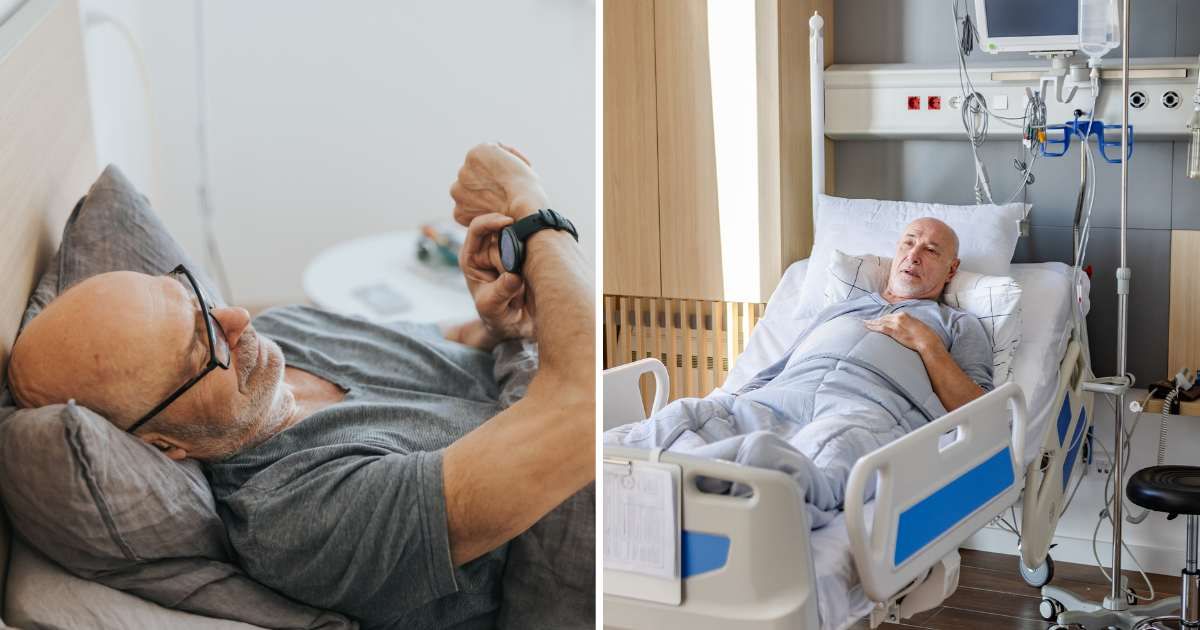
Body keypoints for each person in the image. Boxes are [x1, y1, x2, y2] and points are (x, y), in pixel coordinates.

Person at [7, 144, 595, 629]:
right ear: (164, 445)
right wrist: (535, 211)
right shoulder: (293, 517)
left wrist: (506, 326)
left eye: (195, 298)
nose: (236, 320)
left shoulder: (283, 333)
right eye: (200, 344)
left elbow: (464, 340)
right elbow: (579, 414)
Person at [606, 217, 993, 528]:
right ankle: (629, 479)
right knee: (687, 415)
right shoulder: (841, 308)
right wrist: (731, 403)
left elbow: (980, 410)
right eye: (909, 242)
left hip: (863, 411)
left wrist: (927, 344)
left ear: (951, 269)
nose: (915, 254)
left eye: (931, 250)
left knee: (829, 451)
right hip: (777, 400)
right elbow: (780, 365)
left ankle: (744, 500)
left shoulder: (957, 324)